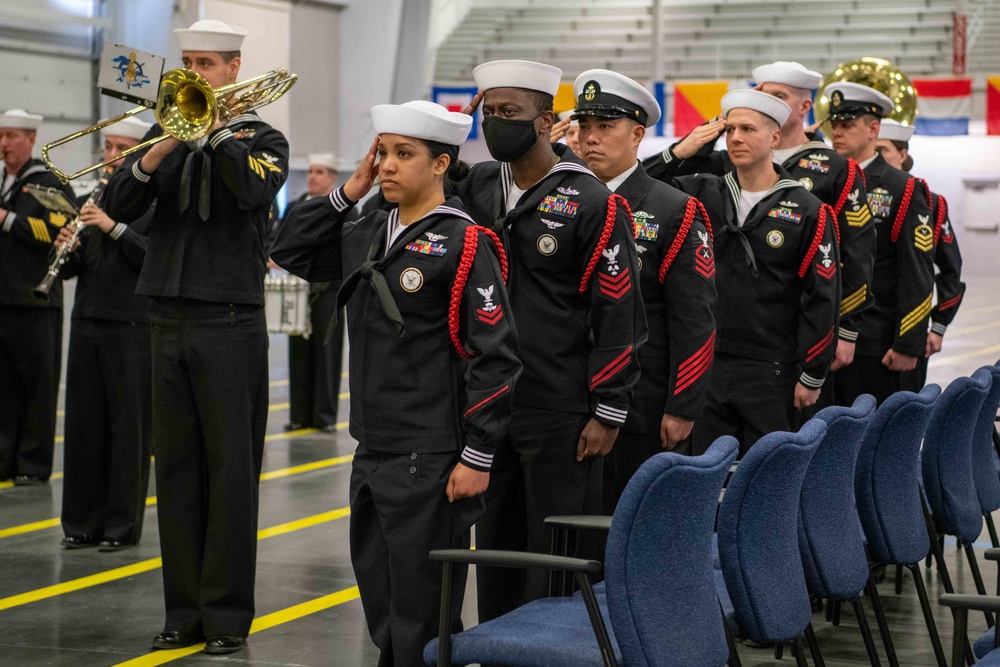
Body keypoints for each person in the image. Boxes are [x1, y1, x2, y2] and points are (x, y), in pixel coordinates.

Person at [271, 100, 520, 667]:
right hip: (373, 447)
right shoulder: (365, 230)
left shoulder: (465, 242)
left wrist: (478, 454)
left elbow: (495, 357)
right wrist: (348, 188)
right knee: (382, 604)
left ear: (440, 164)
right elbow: (287, 249)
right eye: (382, 152)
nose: (386, 165)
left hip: (430, 454)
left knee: (422, 612)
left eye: (403, 154)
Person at [102, 19, 289, 655]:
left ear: (234, 69)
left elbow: (253, 189)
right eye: (187, 62)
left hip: (229, 322)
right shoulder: (162, 138)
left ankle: (228, 617)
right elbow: (121, 202)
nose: (193, 74)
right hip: (165, 318)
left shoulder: (265, 138)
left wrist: (211, 134)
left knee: (230, 474)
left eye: (206, 64)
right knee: (176, 472)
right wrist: (158, 148)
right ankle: (181, 613)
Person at [455, 59, 647, 621]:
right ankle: (499, 652)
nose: (496, 124)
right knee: (495, 549)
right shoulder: (480, 187)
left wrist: (609, 409)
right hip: (491, 404)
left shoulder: (590, 200)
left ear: (546, 122)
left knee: (555, 557)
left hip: (561, 407)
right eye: (489, 113)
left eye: (509, 112)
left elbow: (619, 311)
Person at [643, 62, 875, 391]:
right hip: (725, 334)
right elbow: (644, 191)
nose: (770, 104)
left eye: (779, 96)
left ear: (805, 106)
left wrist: (845, 330)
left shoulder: (835, 168)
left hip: (791, 334)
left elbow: (856, 255)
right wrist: (707, 132)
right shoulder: (729, 162)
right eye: (763, 96)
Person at [569, 69, 716, 509]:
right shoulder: (564, 201)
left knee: (632, 528)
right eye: (585, 126)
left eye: (605, 126)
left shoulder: (672, 209)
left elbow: (695, 318)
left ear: (636, 134)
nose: (590, 138)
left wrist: (683, 405)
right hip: (570, 396)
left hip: (643, 404)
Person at [672, 90, 839, 457]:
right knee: (705, 475)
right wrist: (680, 152)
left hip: (772, 372)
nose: (736, 138)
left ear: (775, 138)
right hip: (708, 366)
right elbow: (636, 190)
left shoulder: (808, 209)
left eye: (748, 129)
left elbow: (822, 296)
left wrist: (811, 373)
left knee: (767, 482)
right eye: (729, 130)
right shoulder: (704, 193)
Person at [57, 116, 154, 552]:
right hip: (88, 319)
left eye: (120, 148)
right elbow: (82, 268)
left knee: (127, 428)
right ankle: (81, 522)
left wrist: (113, 226)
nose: (110, 156)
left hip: (131, 324)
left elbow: (153, 258)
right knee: (83, 425)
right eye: (107, 147)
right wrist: (69, 247)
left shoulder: (154, 202)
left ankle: (119, 526)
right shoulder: (91, 198)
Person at [825, 83, 935, 405]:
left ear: (873, 129)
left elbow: (917, 272)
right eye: (834, 125)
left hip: (876, 341)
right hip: (823, 337)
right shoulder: (822, 180)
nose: (838, 132)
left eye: (847, 124)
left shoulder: (901, 187)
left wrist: (908, 343)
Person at [0, 108, 76, 484]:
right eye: (1, 136)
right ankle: (4, 459)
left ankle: (33, 463)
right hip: (2, 300)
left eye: (12, 136)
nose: (4, 144)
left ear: (30, 139)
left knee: (37, 387)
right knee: (5, 387)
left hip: (34, 301)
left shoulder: (50, 183)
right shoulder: (2, 183)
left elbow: (58, 232)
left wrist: (7, 219)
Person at [875, 119, 964, 390]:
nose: (876, 158)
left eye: (883, 151)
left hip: (905, 332)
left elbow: (950, 269)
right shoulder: (850, 196)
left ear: (903, 155)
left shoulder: (928, 200)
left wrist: (938, 326)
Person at [280, 152, 343, 432]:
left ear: (331, 177)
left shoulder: (344, 208)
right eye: (311, 171)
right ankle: (299, 415)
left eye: (320, 172)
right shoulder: (295, 206)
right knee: (298, 352)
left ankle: (324, 416)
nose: (313, 177)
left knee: (327, 352)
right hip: (298, 287)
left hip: (329, 290)